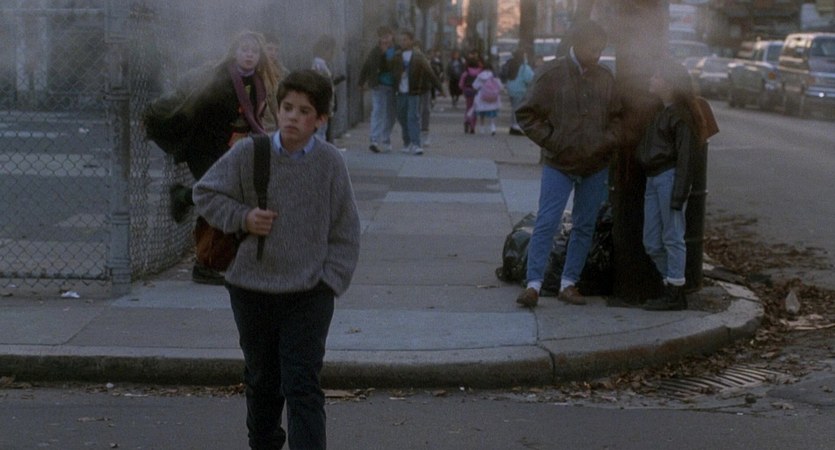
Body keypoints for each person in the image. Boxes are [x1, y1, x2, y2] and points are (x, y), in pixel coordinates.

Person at [193, 69, 361, 449]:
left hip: (308, 292)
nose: (293, 117)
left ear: (320, 120)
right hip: (252, 289)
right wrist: (243, 218)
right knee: (262, 382)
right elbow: (204, 193)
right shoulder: (250, 153)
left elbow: (346, 230)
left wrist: (329, 281)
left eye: (304, 111)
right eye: (287, 107)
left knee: (302, 384)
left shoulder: (330, 163)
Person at [144, 30, 280, 285]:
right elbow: (194, 105)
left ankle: (187, 200)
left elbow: (255, 118)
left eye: (254, 51)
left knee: (223, 196)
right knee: (219, 196)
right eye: (244, 50)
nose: (249, 55)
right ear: (234, 53)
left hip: (231, 149)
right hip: (205, 147)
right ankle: (205, 261)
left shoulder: (258, 83)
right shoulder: (220, 78)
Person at [514, 20, 619, 308]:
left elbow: (617, 117)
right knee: (547, 221)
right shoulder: (552, 73)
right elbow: (526, 114)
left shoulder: (605, 77)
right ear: (578, 45)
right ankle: (533, 284)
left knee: (585, 225)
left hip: (595, 163)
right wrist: (553, 141)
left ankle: (569, 283)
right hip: (559, 162)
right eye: (593, 49)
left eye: (601, 49)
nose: (597, 55)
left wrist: (606, 141)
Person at [638, 59, 711, 311]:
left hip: (668, 179)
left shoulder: (679, 116)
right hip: (655, 178)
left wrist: (679, 194)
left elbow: (686, 157)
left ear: (669, 84)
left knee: (672, 236)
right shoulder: (664, 112)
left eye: (656, 76)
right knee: (652, 241)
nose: (651, 79)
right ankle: (672, 284)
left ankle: (675, 291)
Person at [390, 30, 444, 155]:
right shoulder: (396, 56)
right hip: (400, 92)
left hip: (413, 91)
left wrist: (439, 88)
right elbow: (390, 70)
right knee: (402, 117)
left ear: (411, 41)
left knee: (412, 117)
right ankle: (407, 142)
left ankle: (416, 144)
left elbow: (430, 72)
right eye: (401, 40)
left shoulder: (418, 56)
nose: (403, 42)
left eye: (405, 40)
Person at [358, 26, 398, 153]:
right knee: (378, 111)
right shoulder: (376, 51)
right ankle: (374, 140)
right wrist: (361, 82)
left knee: (390, 114)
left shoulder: (396, 50)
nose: (385, 39)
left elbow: (394, 66)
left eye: (387, 36)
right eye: (382, 37)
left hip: (393, 86)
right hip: (378, 85)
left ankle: (386, 139)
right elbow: (367, 65)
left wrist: (386, 53)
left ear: (392, 36)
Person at [311, 34, 347, 144]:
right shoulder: (319, 64)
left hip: (324, 101)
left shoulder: (320, 63)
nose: (332, 54)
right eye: (331, 51)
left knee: (322, 130)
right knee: (320, 131)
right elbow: (322, 83)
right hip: (322, 101)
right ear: (325, 50)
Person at [503, 49, 534, 135]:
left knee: (514, 108)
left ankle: (513, 125)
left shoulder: (511, 65)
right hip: (520, 90)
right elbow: (530, 78)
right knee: (518, 109)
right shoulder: (524, 67)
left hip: (511, 90)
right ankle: (516, 126)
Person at [471, 62, 502, 135]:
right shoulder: (494, 76)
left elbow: (475, 86)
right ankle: (493, 127)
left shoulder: (480, 76)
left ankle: (482, 128)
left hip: (482, 96)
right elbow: (500, 86)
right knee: (492, 113)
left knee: (482, 113)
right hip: (493, 97)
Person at [458, 52, 483, 134]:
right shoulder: (480, 72)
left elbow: (461, 83)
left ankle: (467, 120)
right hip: (476, 91)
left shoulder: (466, 72)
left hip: (468, 91)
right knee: (474, 108)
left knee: (468, 107)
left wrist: (463, 88)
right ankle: (472, 126)